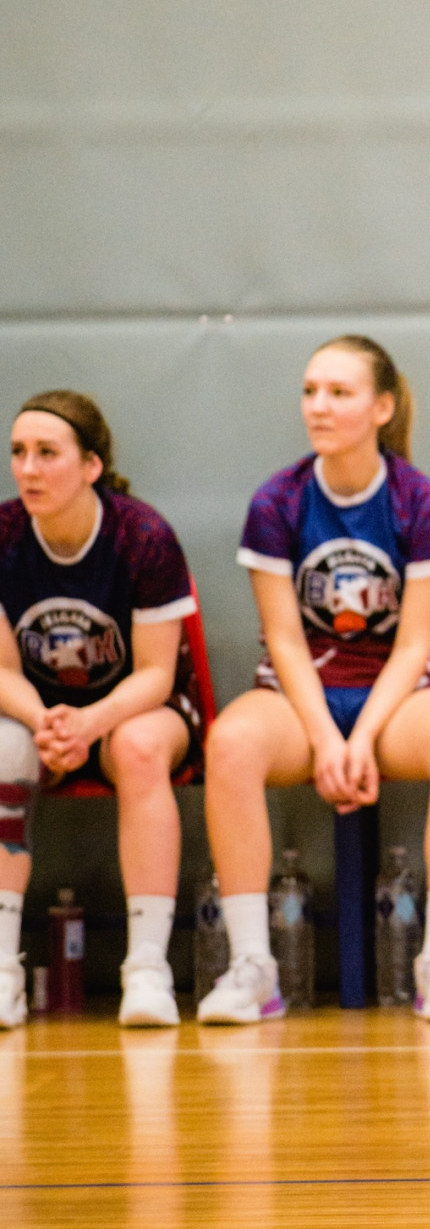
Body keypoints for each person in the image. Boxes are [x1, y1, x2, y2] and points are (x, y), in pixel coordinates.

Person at [198, 334, 430, 1025]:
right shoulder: (278, 501)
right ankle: (252, 968)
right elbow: (284, 641)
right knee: (230, 744)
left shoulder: (420, 501)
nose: (318, 406)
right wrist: (328, 739)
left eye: (338, 392)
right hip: (299, 698)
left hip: (395, 697)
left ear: (381, 408)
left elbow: (416, 643)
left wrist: (360, 738)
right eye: (310, 392)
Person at [0, 391, 202, 1029]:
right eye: (18, 452)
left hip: (142, 707)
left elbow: (156, 675)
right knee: (4, 749)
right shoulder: (3, 535)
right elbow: (2, 670)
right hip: (40, 712)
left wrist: (90, 722)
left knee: (138, 748)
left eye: (47, 453)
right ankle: (2, 969)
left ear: (91, 465)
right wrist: (46, 722)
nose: (28, 468)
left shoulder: (143, 536)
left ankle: (146, 968)